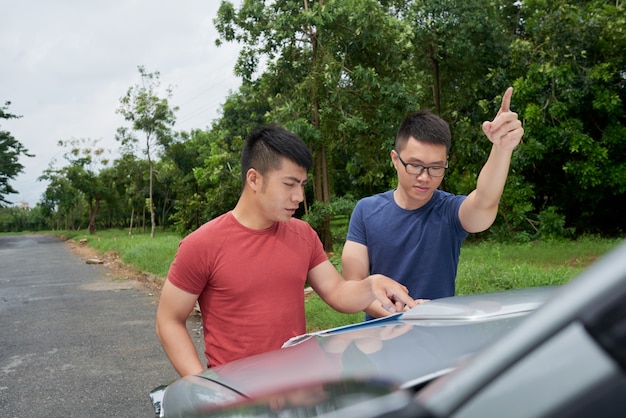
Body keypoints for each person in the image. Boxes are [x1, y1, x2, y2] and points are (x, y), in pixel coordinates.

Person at [156, 124, 416, 376]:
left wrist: (372, 285)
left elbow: (337, 292)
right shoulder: (202, 245)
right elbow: (169, 321)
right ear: (254, 179)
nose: (299, 197)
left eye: (302, 185)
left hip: (298, 389)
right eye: (289, 184)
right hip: (238, 398)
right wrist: (202, 387)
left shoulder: (302, 235)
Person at [341, 87, 524, 320]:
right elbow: (355, 285)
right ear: (395, 160)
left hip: (440, 336)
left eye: (436, 167)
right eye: (415, 165)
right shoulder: (366, 211)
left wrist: (501, 148)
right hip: (382, 339)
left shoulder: (449, 211)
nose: (425, 177)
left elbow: (485, 202)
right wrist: (399, 316)